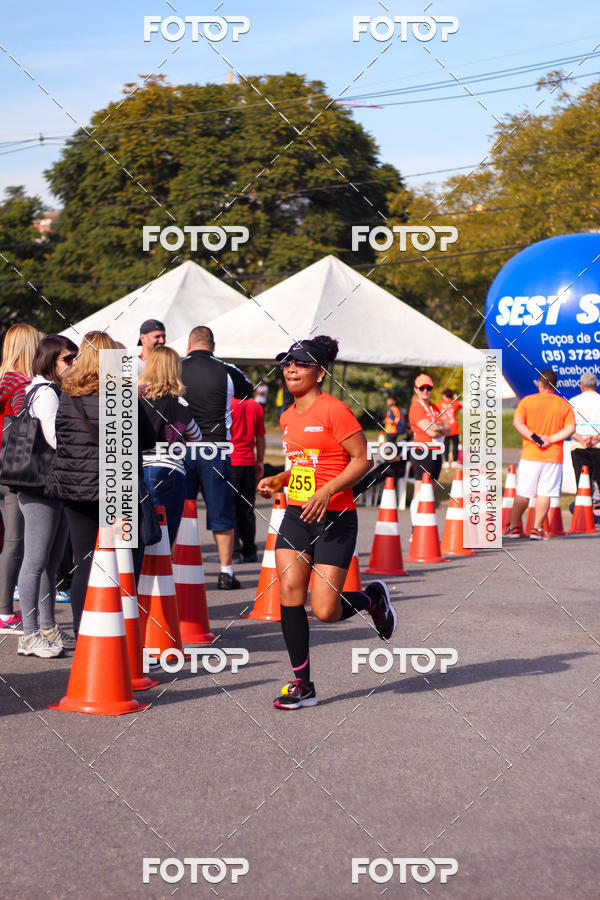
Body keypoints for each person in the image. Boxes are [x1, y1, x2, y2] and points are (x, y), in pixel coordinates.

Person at [257, 336, 397, 711]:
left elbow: (362, 459)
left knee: (325, 610)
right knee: (289, 589)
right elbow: (303, 466)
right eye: (287, 362)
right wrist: (279, 480)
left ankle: (372, 598)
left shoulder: (333, 410)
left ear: (320, 373)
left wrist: (328, 491)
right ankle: (302, 684)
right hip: (297, 515)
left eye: (300, 363)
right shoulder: (286, 417)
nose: (290, 369)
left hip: (335, 517)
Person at [16, 336, 78, 657]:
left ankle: (48, 627)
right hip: (40, 485)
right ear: (51, 360)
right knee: (37, 562)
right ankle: (29, 634)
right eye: (68, 359)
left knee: (51, 563)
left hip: (48, 485)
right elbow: (57, 440)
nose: (74, 364)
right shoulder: (47, 394)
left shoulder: (47, 391)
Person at [181, 326, 253, 590]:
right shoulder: (228, 369)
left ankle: (179, 567)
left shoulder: (175, 366)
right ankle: (226, 571)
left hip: (183, 447)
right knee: (221, 512)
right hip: (215, 447)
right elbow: (248, 392)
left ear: (189, 345)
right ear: (213, 345)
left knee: (182, 508)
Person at [0, 323, 42, 632]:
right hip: (13, 469)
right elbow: (26, 423)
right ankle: (4, 612)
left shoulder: (3, 377)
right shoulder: (22, 383)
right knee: (15, 541)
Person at [140, 346, 202, 546]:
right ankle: (162, 576)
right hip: (168, 469)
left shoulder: (137, 399)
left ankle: (140, 577)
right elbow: (196, 437)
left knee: (144, 531)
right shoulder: (179, 403)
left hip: (138, 469)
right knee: (165, 535)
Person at [505, 368, 575, 540]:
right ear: (555, 385)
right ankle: (536, 529)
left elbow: (517, 422)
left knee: (523, 492)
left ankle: (514, 527)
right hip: (553, 455)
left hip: (531, 454)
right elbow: (570, 428)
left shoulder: (527, 402)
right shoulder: (563, 404)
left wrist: (534, 437)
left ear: (540, 383)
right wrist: (550, 439)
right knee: (545, 492)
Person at [407, 373, 448, 522]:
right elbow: (431, 430)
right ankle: (414, 527)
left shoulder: (434, 407)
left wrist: (440, 428)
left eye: (428, 388)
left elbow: (449, 428)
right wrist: (439, 427)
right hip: (422, 451)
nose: (425, 391)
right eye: (422, 388)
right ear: (416, 389)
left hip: (437, 451)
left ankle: (424, 523)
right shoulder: (416, 408)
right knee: (420, 490)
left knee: (430, 490)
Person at [230, 394, 266, 562]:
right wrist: (260, 461)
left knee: (230, 508)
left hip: (230, 461)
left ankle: (234, 551)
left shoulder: (226, 404)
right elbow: (260, 438)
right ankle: (250, 549)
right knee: (247, 508)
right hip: (248, 462)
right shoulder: (256, 406)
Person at [569, 370, 600, 507]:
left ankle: (586, 514)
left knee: (582, 484)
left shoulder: (573, 401)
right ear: (596, 385)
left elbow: (567, 427)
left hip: (579, 447)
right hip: (598, 447)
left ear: (581, 385)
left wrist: (582, 439)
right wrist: (596, 438)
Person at [440, 388, 462, 468]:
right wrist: (456, 398)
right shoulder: (454, 403)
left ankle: (446, 461)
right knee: (455, 445)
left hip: (445, 428)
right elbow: (460, 404)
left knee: (446, 445)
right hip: (454, 427)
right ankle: (455, 461)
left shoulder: (440, 403)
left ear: (445, 395)